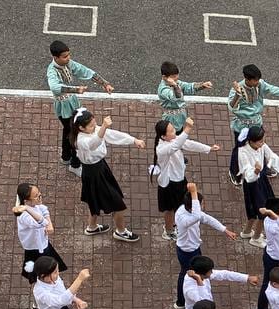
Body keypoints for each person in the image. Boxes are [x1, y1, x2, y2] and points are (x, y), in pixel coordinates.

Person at [226, 63, 279, 180]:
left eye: (258, 79)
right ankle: (234, 171)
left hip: (257, 123)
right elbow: (232, 107)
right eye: (255, 80)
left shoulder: (260, 84)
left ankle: (263, 169)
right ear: (247, 79)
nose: (257, 82)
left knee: (260, 146)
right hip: (242, 126)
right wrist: (237, 94)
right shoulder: (236, 90)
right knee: (239, 149)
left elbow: (275, 90)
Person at [70, 110, 144, 242]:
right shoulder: (80, 140)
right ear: (81, 128)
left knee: (94, 201)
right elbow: (93, 144)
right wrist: (103, 127)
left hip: (98, 168)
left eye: (95, 124)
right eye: (91, 125)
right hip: (94, 173)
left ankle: (92, 227)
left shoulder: (92, 130)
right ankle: (121, 232)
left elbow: (112, 135)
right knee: (118, 205)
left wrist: (133, 140)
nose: (95, 127)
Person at [46, 41, 114, 176]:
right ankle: (75, 165)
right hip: (64, 106)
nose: (68, 58)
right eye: (65, 56)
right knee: (76, 134)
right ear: (55, 57)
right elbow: (55, 87)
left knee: (68, 131)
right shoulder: (52, 71)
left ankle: (66, 157)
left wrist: (104, 83)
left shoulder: (68, 64)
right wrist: (76, 89)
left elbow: (85, 71)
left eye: (68, 55)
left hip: (71, 103)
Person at [173, 183, 239, 309]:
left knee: (188, 274)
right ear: (193, 206)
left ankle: (182, 302)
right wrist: (194, 192)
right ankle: (183, 302)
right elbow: (198, 216)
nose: (203, 205)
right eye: (200, 203)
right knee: (187, 276)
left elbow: (207, 218)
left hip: (193, 249)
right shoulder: (184, 218)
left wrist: (225, 230)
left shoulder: (187, 211)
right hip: (187, 252)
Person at [153, 119, 218, 242]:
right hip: (169, 184)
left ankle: (173, 225)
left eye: (173, 129)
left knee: (178, 206)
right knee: (169, 209)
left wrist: (208, 149)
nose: (174, 132)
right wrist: (187, 128)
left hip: (179, 180)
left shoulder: (172, 139)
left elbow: (188, 144)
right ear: (163, 136)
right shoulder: (162, 149)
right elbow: (176, 145)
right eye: (171, 131)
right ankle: (168, 231)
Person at [233, 126, 279, 245]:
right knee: (265, 212)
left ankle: (247, 232)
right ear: (251, 141)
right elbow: (248, 175)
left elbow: (273, 158)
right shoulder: (242, 152)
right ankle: (256, 238)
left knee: (254, 210)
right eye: (260, 141)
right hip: (252, 185)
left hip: (262, 181)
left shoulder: (262, 146)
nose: (263, 143)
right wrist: (256, 171)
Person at [14, 183, 67, 302]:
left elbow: (43, 209)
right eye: (37, 196)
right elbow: (41, 222)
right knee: (37, 276)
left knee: (50, 268)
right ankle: (39, 301)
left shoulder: (32, 204)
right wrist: (28, 210)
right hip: (35, 249)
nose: (40, 197)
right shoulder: (23, 215)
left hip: (43, 244)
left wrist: (50, 223)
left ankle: (53, 285)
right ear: (26, 201)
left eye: (39, 194)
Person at [183, 256, 256, 309]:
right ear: (201, 274)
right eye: (210, 271)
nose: (212, 272)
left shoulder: (200, 273)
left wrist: (246, 278)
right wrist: (200, 282)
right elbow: (206, 304)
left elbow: (224, 274)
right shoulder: (191, 290)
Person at [158, 61, 213, 131]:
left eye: (177, 75)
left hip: (179, 117)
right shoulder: (163, 90)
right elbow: (176, 97)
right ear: (164, 77)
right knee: (173, 135)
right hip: (171, 120)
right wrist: (175, 86)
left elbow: (187, 87)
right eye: (174, 76)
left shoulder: (176, 82)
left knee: (180, 131)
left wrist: (202, 85)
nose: (177, 78)